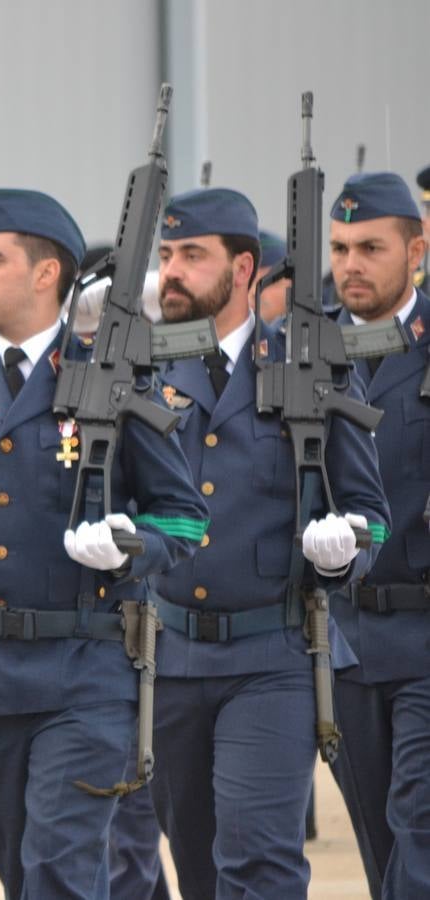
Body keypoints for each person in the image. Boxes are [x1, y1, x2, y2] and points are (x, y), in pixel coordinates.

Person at [0, 187, 208, 899]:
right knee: (19, 870)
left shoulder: (111, 383)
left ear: (46, 275)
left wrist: (131, 545)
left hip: (85, 673)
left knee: (61, 868)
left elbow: (183, 517)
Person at [149, 186, 389, 899]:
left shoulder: (308, 373)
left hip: (273, 654)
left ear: (245, 270)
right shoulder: (144, 373)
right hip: (168, 657)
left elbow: (369, 509)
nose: (172, 271)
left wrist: (347, 545)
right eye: (166, 255)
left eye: (193, 255)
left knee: (258, 858)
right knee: (197, 863)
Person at [326, 171, 430, 898]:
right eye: (339, 248)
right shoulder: (301, 350)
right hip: (344, 637)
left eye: (370, 247)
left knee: (418, 828)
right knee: (377, 838)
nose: (351, 264)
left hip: (426, 629)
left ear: (415, 250)